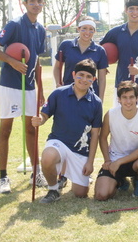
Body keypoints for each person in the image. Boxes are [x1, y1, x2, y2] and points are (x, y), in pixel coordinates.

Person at [0, 0, 47, 195]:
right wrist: (12, 62)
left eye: (40, 1)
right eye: (32, 1)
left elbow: (37, 60)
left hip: (29, 86)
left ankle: (36, 172)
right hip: (10, 85)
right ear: (25, 3)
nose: (36, 4)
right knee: (6, 129)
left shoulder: (41, 29)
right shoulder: (14, 24)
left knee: (31, 129)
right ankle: (3, 177)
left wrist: (40, 89)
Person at [32, 59, 103, 203]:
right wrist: (40, 119)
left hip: (80, 150)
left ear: (93, 80)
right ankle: (53, 189)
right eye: (80, 75)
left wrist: (90, 162)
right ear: (73, 74)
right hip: (59, 142)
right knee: (47, 157)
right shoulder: (58, 93)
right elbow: (45, 114)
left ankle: (67, 172)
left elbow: (95, 134)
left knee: (80, 193)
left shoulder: (96, 102)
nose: (84, 79)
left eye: (88, 77)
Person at [94, 81, 138, 200]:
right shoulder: (110, 114)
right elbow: (102, 137)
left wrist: (120, 162)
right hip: (114, 160)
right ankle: (121, 181)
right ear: (119, 99)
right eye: (124, 97)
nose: (128, 101)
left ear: (137, 98)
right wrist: (107, 160)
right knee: (101, 195)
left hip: (136, 161)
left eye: (131, 97)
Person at [100, 0, 138, 113]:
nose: (134, 12)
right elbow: (98, 50)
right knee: (119, 121)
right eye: (131, 9)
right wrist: (103, 65)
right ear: (126, 10)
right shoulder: (116, 32)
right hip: (120, 86)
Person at [54, 16, 108, 100]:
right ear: (78, 29)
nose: (87, 32)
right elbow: (57, 67)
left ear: (94, 31)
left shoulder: (100, 50)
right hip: (68, 92)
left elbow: (102, 78)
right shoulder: (66, 45)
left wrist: (100, 99)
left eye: (91, 29)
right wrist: (58, 83)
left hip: (90, 95)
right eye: (84, 28)